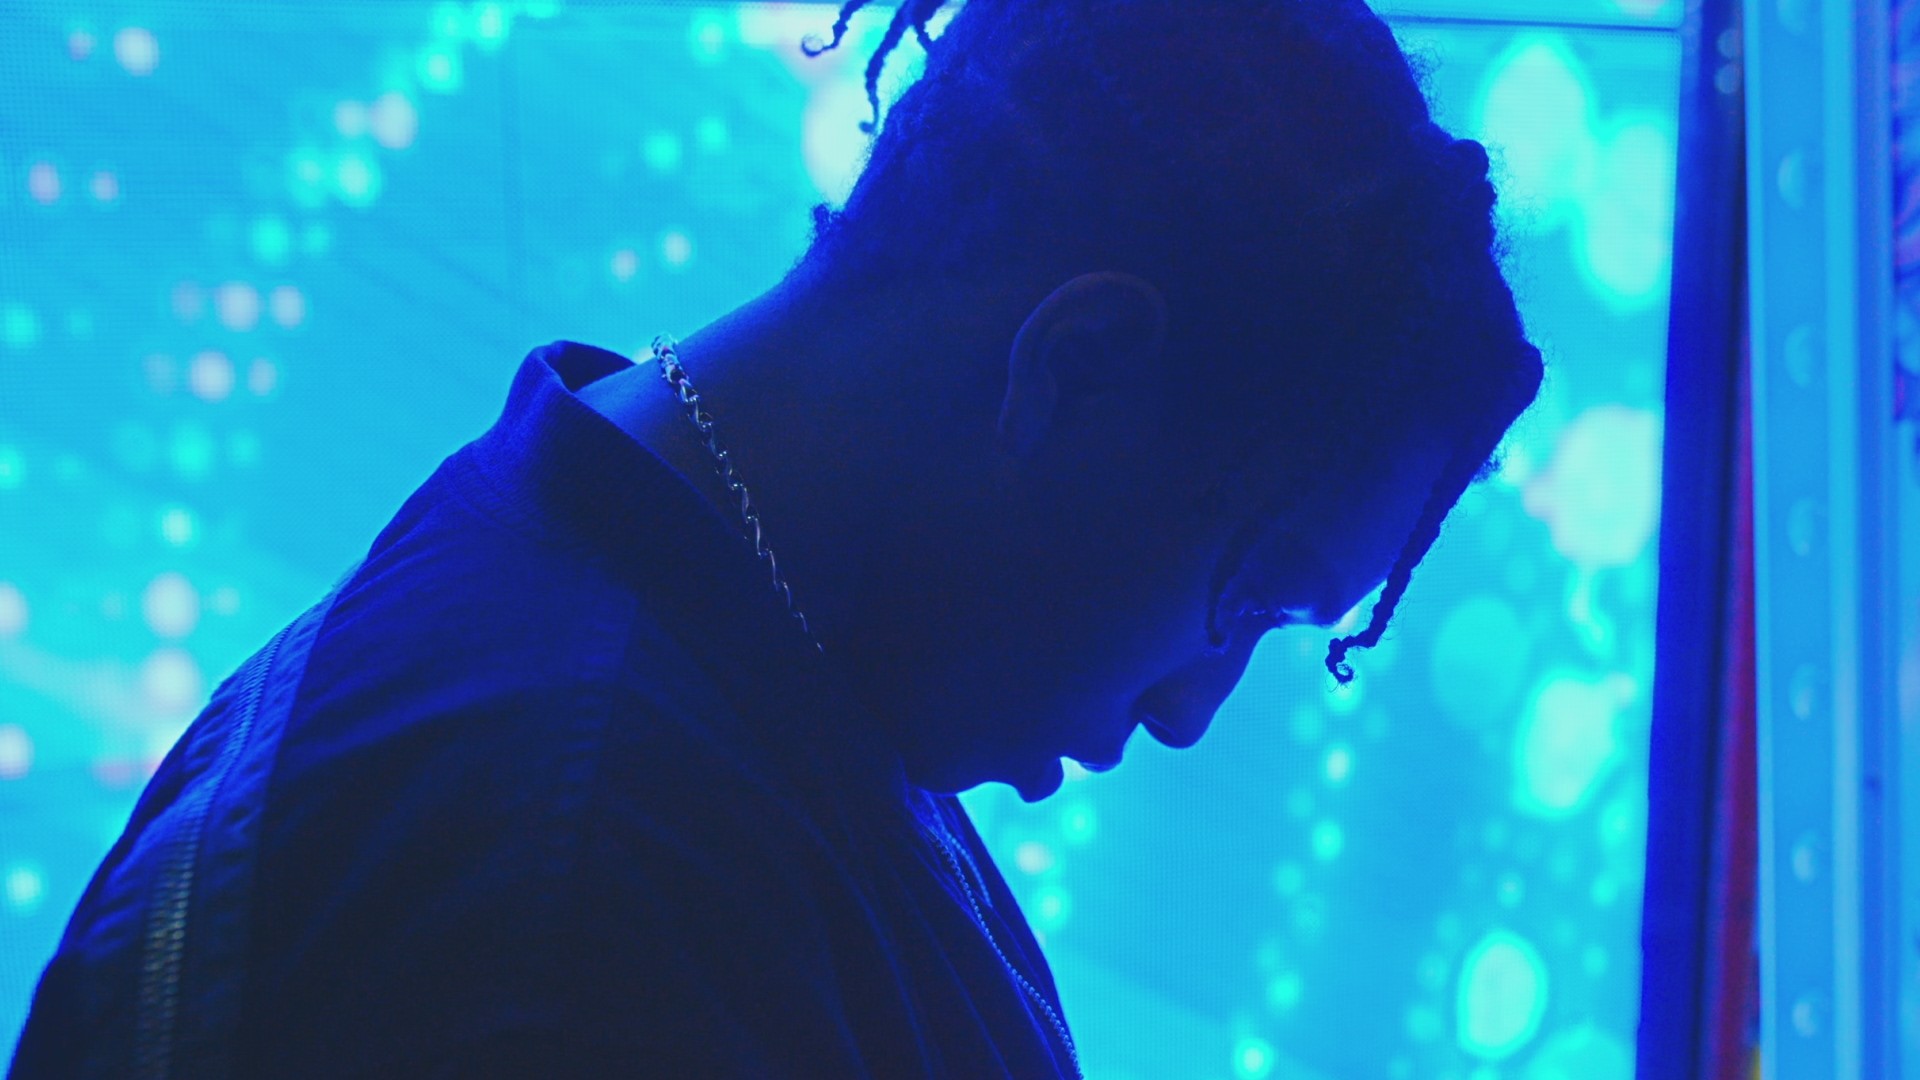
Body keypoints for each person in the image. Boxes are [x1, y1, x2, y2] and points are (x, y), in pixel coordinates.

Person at [10, 0, 1542, 1076]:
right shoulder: (568, 899)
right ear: (1075, 366)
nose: (1194, 709)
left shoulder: (710, 675)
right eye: (1249, 597)